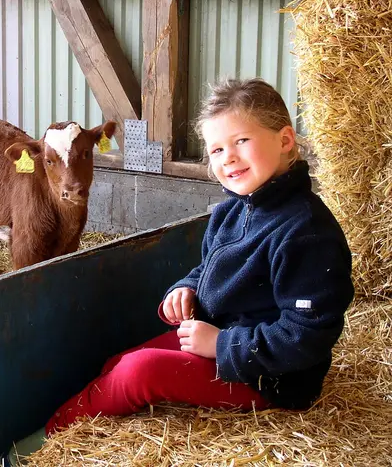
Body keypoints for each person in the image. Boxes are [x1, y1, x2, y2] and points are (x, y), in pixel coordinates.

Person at [44, 77, 355, 435]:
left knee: (138, 372)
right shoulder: (231, 211)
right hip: (217, 335)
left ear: (285, 141)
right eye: (217, 150)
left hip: (270, 378)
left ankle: (53, 436)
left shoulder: (306, 232)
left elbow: (306, 336)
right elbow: (209, 269)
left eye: (241, 141)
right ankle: (94, 415)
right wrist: (186, 290)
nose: (229, 158)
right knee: (120, 361)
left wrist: (221, 344)